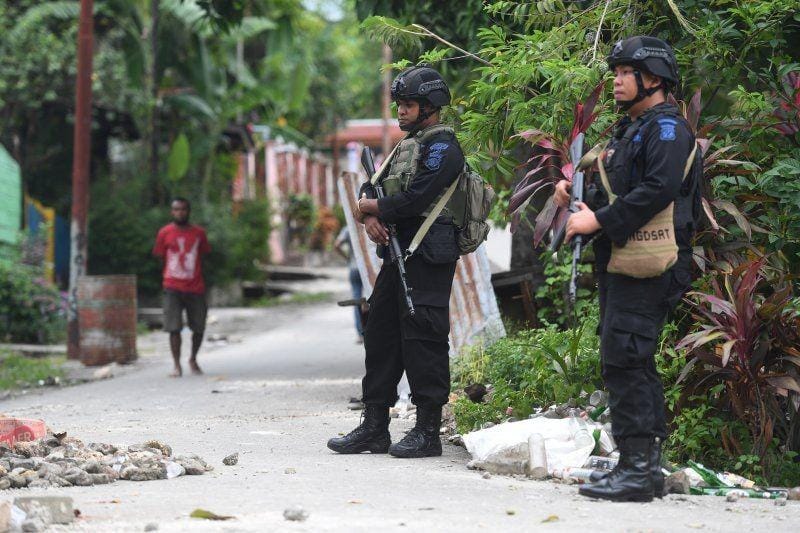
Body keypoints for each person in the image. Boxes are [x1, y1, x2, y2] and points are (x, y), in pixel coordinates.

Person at [555, 36, 700, 502]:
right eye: (615, 72)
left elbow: (658, 189)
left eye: (624, 72)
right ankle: (640, 467)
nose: (615, 81)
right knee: (625, 358)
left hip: (653, 266)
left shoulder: (668, 131)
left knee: (628, 357)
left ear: (652, 79)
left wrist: (597, 219)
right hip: (625, 261)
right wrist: (576, 200)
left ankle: (638, 472)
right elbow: (619, 191)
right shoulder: (632, 128)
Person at [327, 66, 464, 458]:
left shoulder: (443, 148)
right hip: (398, 254)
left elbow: (418, 198)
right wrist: (369, 213)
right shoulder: (406, 145)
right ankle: (374, 427)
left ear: (430, 106)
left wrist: (374, 207)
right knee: (381, 334)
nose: (400, 112)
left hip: (429, 254)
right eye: (399, 105)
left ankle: (427, 431)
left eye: (408, 105)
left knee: (424, 338)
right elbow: (372, 185)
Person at [152, 197, 211, 378]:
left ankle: (193, 358)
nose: (180, 213)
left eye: (183, 209)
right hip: (172, 286)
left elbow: (204, 256)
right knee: (173, 327)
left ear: (188, 211)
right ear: (172, 212)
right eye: (176, 209)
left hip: (195, 287)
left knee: (199, 327)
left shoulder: (199, 233)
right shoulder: (165, 233)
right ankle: (176, 365)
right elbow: (160, 256)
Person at [334, 226, 365, 343]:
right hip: (368, 269)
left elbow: (336, 245)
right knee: (372, 299)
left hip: (353, 267)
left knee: (357, 300)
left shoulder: (348, 229)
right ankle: (373, 331)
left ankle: (360, 334)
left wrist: (347, 258)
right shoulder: (369, 224)